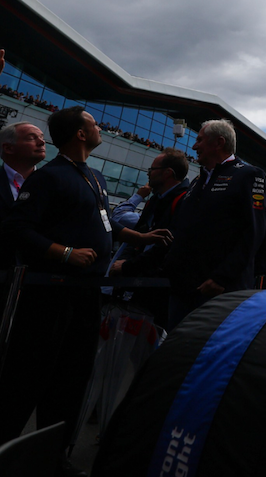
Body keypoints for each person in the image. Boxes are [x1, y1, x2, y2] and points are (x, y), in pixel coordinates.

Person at [0, 107, 171, 469]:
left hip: (86, 295)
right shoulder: (49, 178)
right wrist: (63, 253)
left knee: (72, 379)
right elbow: (17, 228)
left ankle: (52, 456)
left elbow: (103, 222)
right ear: (80, 134)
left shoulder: (95, 177)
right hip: (49, 296)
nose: (100, 128)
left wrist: (138, 236)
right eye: (94, 123)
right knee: (28, 378)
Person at [161, 118, 266, 328]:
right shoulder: (196, 182)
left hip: (218, 292)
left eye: (199, 140)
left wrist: (222, 278)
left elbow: (253, 233)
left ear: (219, 142)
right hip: (183, 289)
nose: (194, 146)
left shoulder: (248, 175)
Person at [110, 149, 192, 325]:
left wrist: (127, 267)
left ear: (167, 173)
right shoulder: (154, 200)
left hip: (158, 294)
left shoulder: (185, 201)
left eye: (152, 170)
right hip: (133, 287)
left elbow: (166, 248)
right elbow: (137, 239)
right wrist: (123, 267)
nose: (149, 174)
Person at [0, 120, 46, 223]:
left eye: (42, 137)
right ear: (8, 148)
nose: (42, 142)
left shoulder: (52, 183)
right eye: (31, 138)